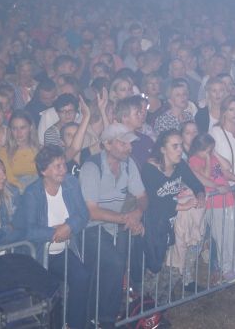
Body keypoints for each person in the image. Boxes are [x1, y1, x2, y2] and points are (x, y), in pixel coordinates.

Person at [78, 124, 147, 326]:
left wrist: (138, 213)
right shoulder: (91, 167)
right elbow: (92, 212)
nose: (129, 148)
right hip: (89, 228)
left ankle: (104, 316)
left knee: (117, 268)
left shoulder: (128, 164)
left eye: (130, 143)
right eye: (123, 143)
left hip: (114, 225)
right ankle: (104, 320)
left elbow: (142, 196)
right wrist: (127, 219)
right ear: (107, 145)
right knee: (114, 264)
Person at [17, 145, 89, 329]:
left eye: (64, 164)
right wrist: (54, 232)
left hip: (63, 251)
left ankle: (75, 325)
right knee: (48, 295)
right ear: (43, 171)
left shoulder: (71, 183)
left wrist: (68, 226)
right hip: (38, 254)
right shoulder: (32, 193)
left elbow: (83, 214)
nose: (63, 169)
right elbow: (28, 230)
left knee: (81, 277)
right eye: (57, 166)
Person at [141, 130, 205, 303]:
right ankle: (144, 303)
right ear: (163, 149)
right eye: (175, 146)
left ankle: (162, 300)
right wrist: (182, 206)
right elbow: (154, 200)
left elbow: (196, 183)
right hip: (155, 224)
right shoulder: (149, 169)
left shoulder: (180, 165)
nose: (180, 150)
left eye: (181, 146)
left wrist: (200, 195)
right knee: (155, 264)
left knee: (173, 262)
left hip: (174, 223)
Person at [188, 133, 235, 284]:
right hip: (213, 203)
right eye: (208, 149)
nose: (210, 152)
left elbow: (226, 168)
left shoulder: (213, 156)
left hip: (227, 200)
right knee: (221, 236)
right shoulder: (193, 160)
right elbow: (204, 178)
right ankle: (227, 268)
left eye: (211, 149)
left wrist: (214, 154)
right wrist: (208, 160)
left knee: (233, 235)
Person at [0, 111, 40, 192]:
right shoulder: (3, 152)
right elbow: (9, 178)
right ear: (10, 130)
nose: (19, 132)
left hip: (38, 188)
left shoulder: (40, 150)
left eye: (22, 128)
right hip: (17, 190)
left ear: (30, 128)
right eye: (14, 128)